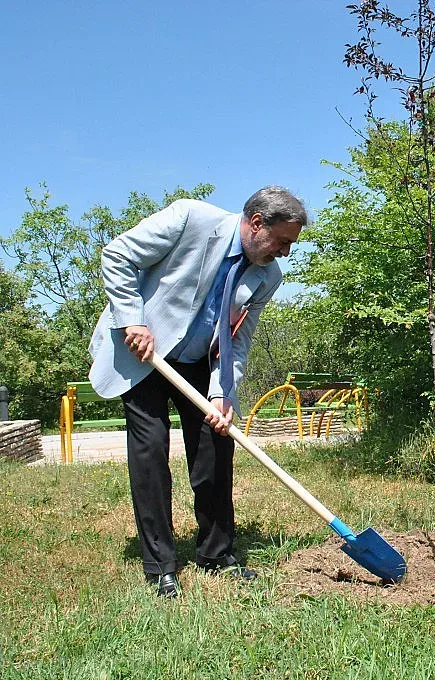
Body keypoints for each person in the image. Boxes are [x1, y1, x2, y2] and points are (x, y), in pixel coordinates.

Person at [88, 186, 308, 597]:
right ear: (257, 223)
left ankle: (217, 553)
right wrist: (131, 320)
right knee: (150, 449)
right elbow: (118, 255)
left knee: (215, 443)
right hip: (145, 350)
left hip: (199, 362)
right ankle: (160, 565)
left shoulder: (268, 276)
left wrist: (223, 391)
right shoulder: (190, 218)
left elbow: (238, 340)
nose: (285, 253)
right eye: (282, 242)